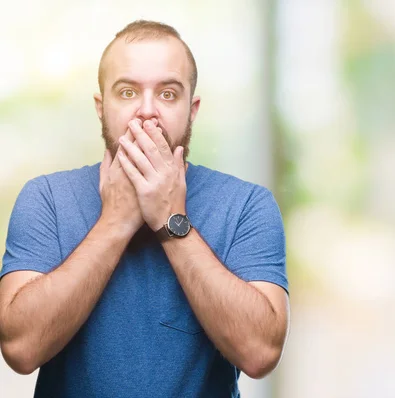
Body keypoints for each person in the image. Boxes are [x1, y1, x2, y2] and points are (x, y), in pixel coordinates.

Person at [0, 20, 290, 397]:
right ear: (101, 107)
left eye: (168, 94)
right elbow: (20, 351)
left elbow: (260, 353)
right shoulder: (46, 199)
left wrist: (172, 220)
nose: (147, 111)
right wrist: (114, 222)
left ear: (192, 109)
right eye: (127, 92)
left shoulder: (247, 205)